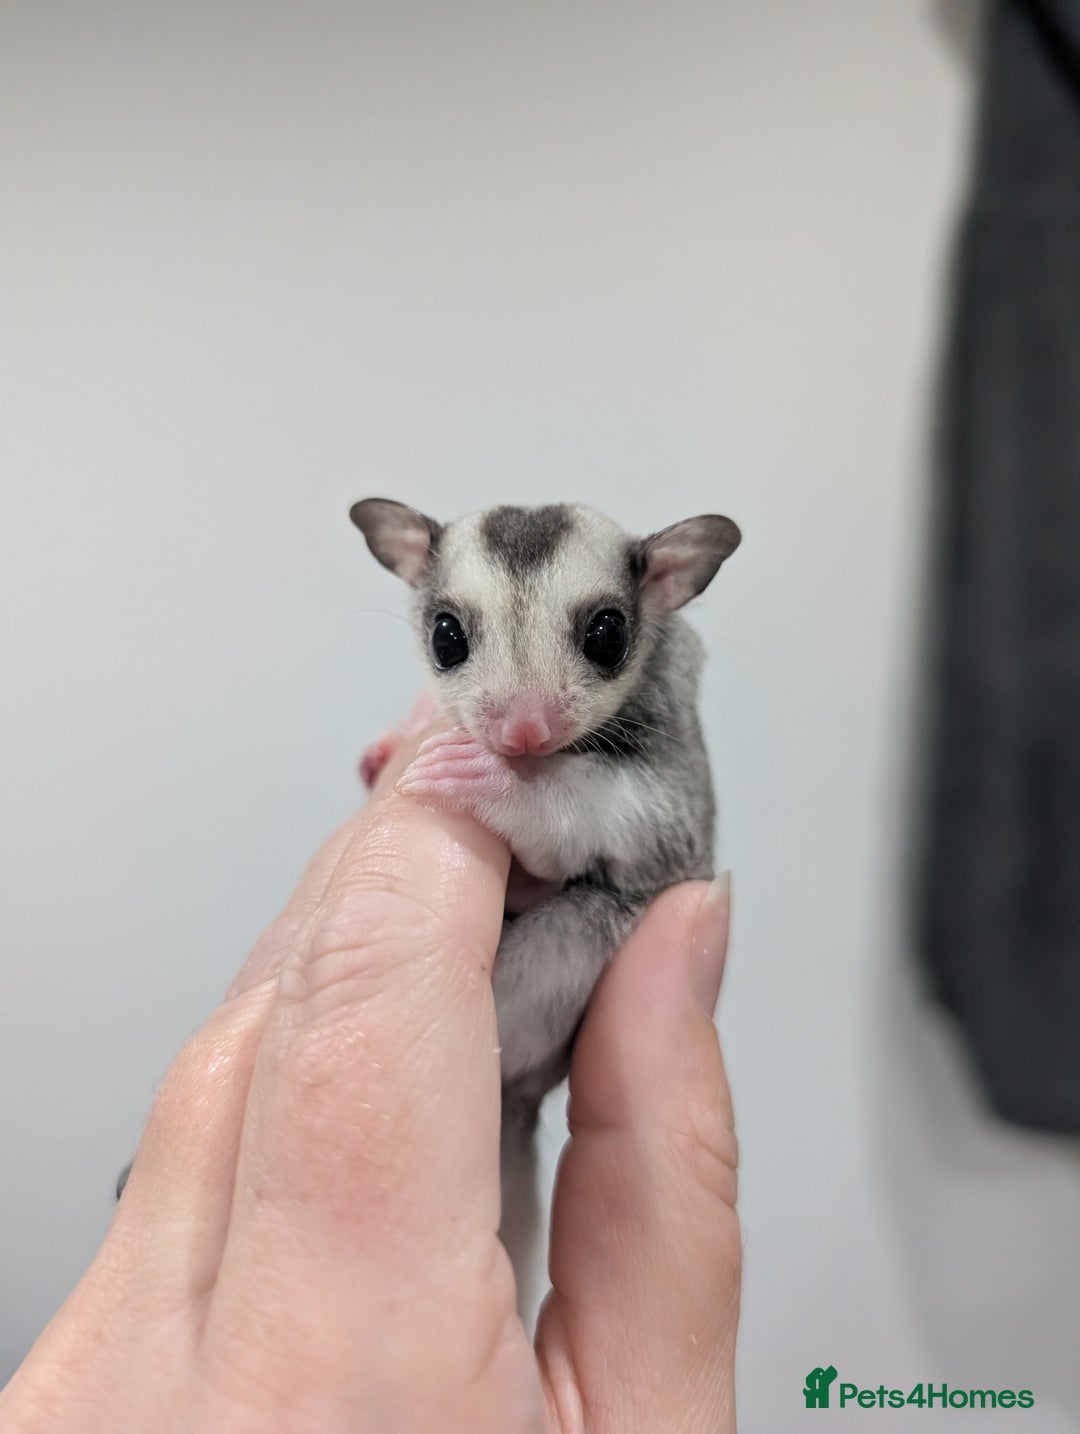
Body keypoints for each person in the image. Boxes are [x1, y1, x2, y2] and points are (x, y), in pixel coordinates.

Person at [0, 702, 740, 1433]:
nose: (524, 733)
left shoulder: (651, 710)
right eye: (454, 643)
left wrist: (529, 805)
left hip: (558, 968)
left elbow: (657, 833)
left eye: (600, 642)